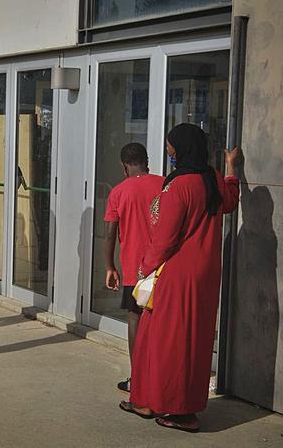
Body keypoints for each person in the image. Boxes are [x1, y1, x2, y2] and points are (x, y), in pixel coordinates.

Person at [119, 123, 240, 433]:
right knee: (192, 340)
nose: (169, 151)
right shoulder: (209, 179)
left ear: (182, 148)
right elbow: (229, 201)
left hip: (176, 273)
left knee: (163, 341)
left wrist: (144, 269)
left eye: (171, 146)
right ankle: (153, 401)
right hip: (205, 273)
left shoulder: (180, 186)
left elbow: (164, 238)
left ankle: (176, 410)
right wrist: (230, 169)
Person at [103, 143, 165, 393]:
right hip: (162, 266)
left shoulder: (119, 192)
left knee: (135, 319)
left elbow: (110, 234)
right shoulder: (164, 185)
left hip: (134, 268)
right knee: (160, 322)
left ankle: (137, 378)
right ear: (146, 161)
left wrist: (109, 266)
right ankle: (160, 378)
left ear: (124, 166)